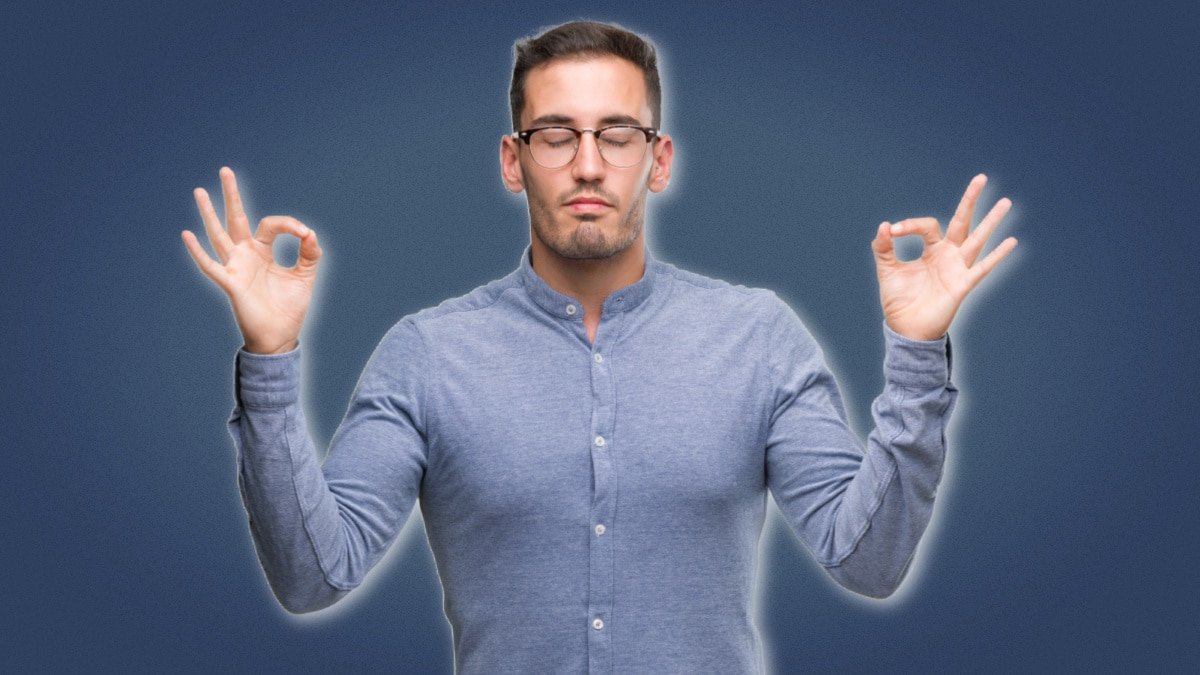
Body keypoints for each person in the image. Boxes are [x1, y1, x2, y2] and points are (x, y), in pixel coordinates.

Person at [181, 20, 1017, 675]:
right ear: (515, 162)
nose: (588, 164)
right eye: (556, 134)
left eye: (617, 134)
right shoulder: (426, 355)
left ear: (658, 160)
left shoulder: (758, 338)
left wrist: (917, 350)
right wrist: (270, 361)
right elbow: (312, 577)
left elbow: (866, 561)